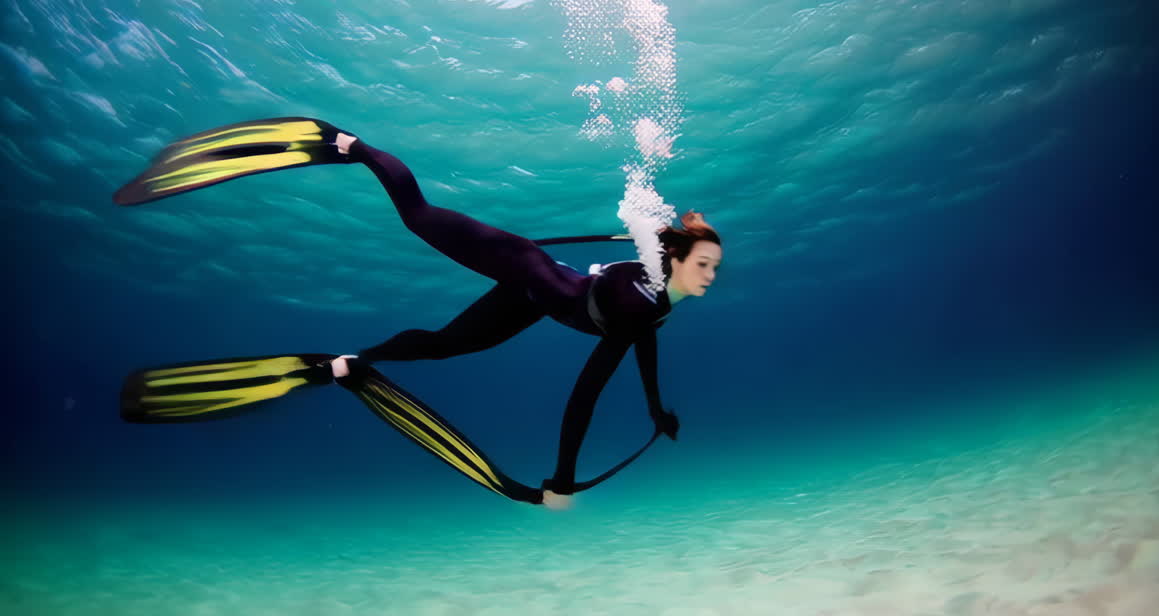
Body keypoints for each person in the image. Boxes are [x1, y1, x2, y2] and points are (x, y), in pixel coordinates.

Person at [115, 117, 723, 509]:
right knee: (416, 214)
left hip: (534, 299)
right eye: (705, 265)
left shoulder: (656, 301)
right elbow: (585, 395)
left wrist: (653, 407)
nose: (711, 277)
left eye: (714, 268)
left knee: (442, 344)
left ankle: (356, 363)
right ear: (677, 261)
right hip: (521, 263)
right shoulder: (637, 304)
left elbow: (647, 343)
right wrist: (562, 478)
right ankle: (352, 146)